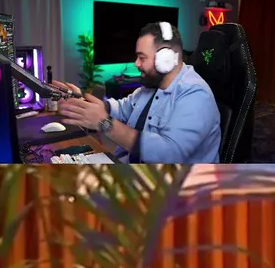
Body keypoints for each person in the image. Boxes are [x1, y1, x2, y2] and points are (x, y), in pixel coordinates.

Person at [52, 21, 222, 164]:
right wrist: (82, 101)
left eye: (142, 57)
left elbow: (169, 154)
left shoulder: (195, 95)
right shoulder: (151, 87)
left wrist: (104, 123)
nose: (136, 64)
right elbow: (121, 108)